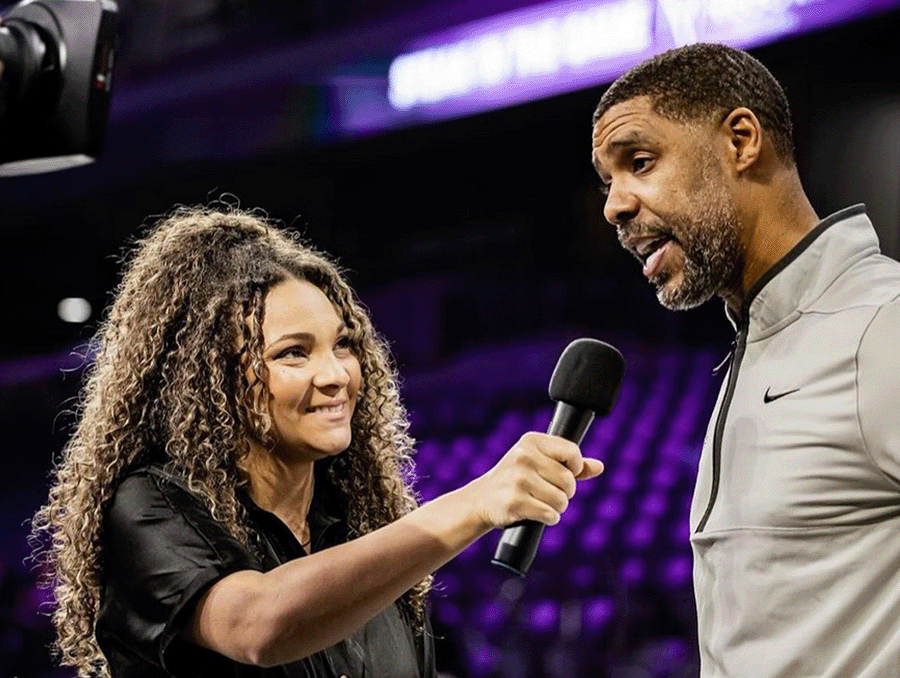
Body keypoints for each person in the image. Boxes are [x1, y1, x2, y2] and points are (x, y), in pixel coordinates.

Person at [31, 205, 604, 678]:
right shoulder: (150, 508)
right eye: (292, 353)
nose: (335, 375)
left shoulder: (362, 537)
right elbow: (258, 625)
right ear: (209, 376)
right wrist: (472, 505)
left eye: (343, 345)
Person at [590, 42, 900, 678]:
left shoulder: (880, 324)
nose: (614, 206)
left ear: (740, 141)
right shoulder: (759, 345)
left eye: (640, 161)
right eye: (608, 179)